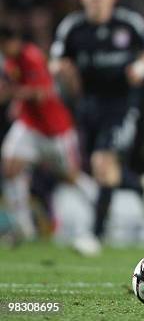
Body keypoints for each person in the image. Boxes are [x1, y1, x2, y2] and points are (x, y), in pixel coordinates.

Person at [50, 0, 144, 256]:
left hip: (122, 104)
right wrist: (61, 70)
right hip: (87, 105)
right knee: (101, 171)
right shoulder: (73, 27)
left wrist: (141, 68)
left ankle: (96, 234)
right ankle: (139, 186)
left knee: (102, 162)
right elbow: (56, 59)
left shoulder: (128, 23)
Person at [0, 26, 96, 242]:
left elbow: (42, 93)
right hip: (30, 126)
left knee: (69, 176)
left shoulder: (31, 57)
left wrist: (14, 94)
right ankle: (23, 228)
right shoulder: (9, 62)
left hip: (55, 130)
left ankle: (102, 209)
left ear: (11, 42)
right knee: (10, 166)